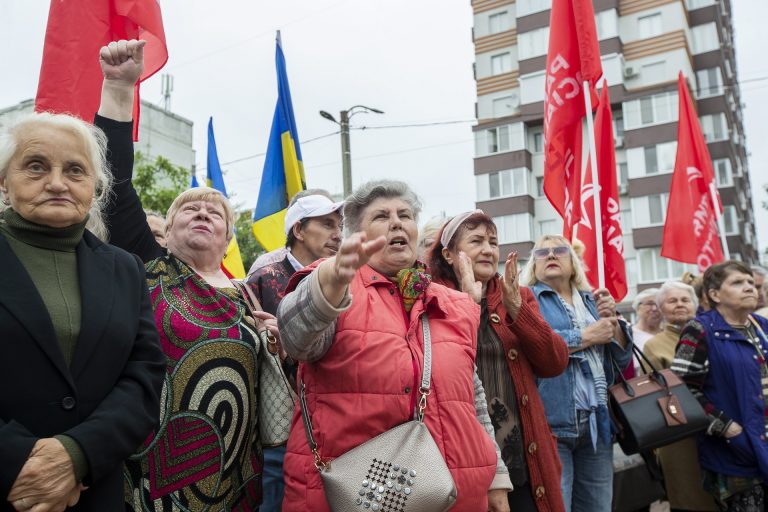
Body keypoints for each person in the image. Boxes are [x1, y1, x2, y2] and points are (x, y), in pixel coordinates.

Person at [96, 39, 276, 511]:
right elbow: (112, 181)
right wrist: (117, 88)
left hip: (237, 476)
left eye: (214, 213)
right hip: (152, 473)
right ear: (167, 231)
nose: (202, 213)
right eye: (188, 209)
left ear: (227, 237)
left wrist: (272, 341)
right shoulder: (150, 267)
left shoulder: (248, 295)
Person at [277, 180, 513, 511]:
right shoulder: (332, 283)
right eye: (381, 216)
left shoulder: (454, 304)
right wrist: (328, 286)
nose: (397, 222)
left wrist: (496, 477)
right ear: (357, 234)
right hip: (361, 498)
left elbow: (470, 397)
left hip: (459, 495)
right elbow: (296, 338)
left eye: (405, 214)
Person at [0, 110, 165, 510]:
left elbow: (144, 374)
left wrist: (77, 454)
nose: (57, 183)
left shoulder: (124, 267)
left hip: (93, 491)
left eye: (75, 170)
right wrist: (17, 463)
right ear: (4, 182)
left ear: (96, 186)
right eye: (36, 167)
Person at [427, 210, 568, 511]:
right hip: (464, 457)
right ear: (449, 254)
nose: (489, 250)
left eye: (493, 242)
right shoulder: (430, 298)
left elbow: (555, 363)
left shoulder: (517, 295)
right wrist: (467, 303)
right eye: (476, 241)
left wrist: (518, 309)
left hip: (524, 458)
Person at [245, 189, 342, 512]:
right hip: (282, 432)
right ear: (298, 230)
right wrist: (273, 340)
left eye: (340, 225)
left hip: (337, 425)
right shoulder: (263, 278)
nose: (337, 234)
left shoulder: (346, 277)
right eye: (327, 224)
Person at [521, 235, 632, 512]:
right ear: (533, 265)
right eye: (541, 252)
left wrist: (613, 323)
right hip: (552, 423)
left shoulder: (592, 300)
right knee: (557, 506)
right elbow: (532, 345)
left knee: (598, 507)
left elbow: (620, 359)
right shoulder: (527, 299)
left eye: (559, 250)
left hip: (598, 420)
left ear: (573, 262)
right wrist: (584, 336)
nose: (550, 255)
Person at [672, 261, 768, 511]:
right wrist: (728, 429)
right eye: (737, 282)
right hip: (736, 455)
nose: (749, 287)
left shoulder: (762, 326)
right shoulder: (699, 329)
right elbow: (681, 390)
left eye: (750, 282)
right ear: (714, 294)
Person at [642, 282, 716, 512]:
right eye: (672, 301)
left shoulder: (713, 335)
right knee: (691, 500)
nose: (680, 305)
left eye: (685, 300)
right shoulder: (654, 345)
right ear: (661, 308)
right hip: (680, 434)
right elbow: (653, 394)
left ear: (695, 305)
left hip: (718, 428)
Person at [632, 288, 662, 352]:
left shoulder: (669, 335)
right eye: (650, 304)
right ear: (638, 307)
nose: (654, 308)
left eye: (658, 304)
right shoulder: (629, 335)